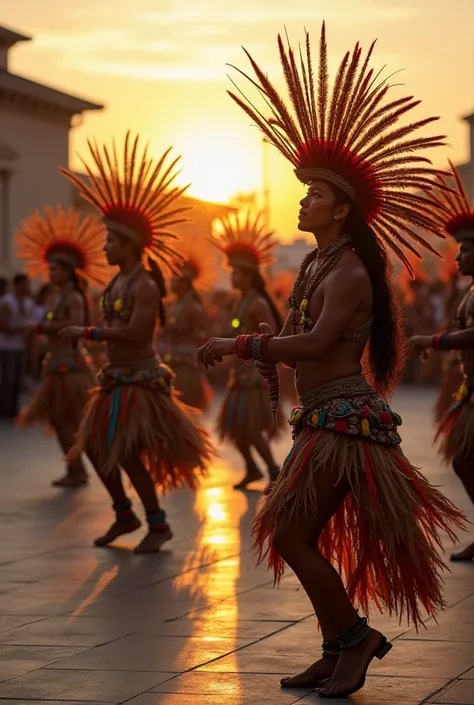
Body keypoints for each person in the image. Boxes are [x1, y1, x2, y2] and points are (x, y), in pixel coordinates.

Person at [197, 24, 466, 698]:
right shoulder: (318, 262)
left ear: (341, 208)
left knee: (289, 534)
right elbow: (296, 334)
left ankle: (354, 639)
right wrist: (268, 354)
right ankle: (336, 643)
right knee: (295, 532)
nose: (302, 199)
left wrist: (242, 345)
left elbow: (318, 345)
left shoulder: (348, 270)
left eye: (313, 193)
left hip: (346, 421)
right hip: (321, 420)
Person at [59, 132, 213, 553]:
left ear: (130, 244)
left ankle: (157, 524)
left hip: (140, 382)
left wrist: (88, 333)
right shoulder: (116, 282)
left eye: (110, 239)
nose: (104, 245)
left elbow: (138, 333)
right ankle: (126, 514)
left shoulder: (144, 284)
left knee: (125, 452)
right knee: (92, 446)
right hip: (115, 380)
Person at [15, 206, 109, 486]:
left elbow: (76, 328)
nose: (50, 274)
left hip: (71, 368)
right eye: (49, 269)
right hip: (56, 366)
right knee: (59, 421)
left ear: (68, 272)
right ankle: (75, 468)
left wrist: (42, 328)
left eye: (54, 269)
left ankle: (82, 468)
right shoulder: (56, 296)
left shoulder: (74, 298)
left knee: (73, 421)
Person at [410, 162, 474, 562]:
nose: (460, 256)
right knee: (464, 458)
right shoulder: (468, 293)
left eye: (467, 248)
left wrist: (435, 339)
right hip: (470, 393)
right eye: (460, 248)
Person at [211, 210, 283, 490]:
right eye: (231, 271)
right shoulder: (240, 302)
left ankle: (274, 471)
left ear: (250, 275)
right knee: (236, 428)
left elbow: (268, 339)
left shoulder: (257, 304)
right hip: (239, 377)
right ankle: (252, 469)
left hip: (255, 377)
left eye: (237, 272)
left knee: (250, 429)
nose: (232, 276)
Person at [162, 240, 214, 412]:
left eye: (175, 279)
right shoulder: (170, 305)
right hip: (170, 363)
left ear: (184, 282)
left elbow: (206, 334)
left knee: (186, 411)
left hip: (186, 366)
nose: (171, 283)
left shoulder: (193, 308)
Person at [0, 273, 34, 418]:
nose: (26, 288)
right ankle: (5, 409)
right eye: (23, 285)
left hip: (21, 346)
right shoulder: (7, 301)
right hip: (7, 346)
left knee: (17, 379)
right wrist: (21, 330)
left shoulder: (27, 302)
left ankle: (13, 410)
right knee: (8, 378)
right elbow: (3, 326)